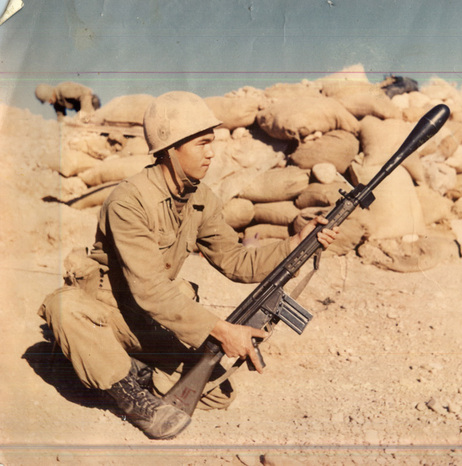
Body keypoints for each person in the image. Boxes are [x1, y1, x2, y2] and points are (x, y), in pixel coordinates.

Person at [38, 91, 338, 440]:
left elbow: (236, 260)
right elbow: (151, 290)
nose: (211, 153)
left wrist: (295, 243)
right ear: (170, 149)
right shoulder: (129, 201)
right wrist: (223, 331)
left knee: (217, 395)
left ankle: (130, 367)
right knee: (65, 308)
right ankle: (132, 397)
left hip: (147, 317)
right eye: (202, 143)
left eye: (212, 142)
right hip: (106, 311)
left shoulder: (200, 198)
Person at [34, 81, 101, 121]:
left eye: (49, 100)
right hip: (80, 108)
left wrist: (85, 113)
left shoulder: (64, 90)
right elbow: (61, 118)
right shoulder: (56, 102)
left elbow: (86, 93)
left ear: (50, 94)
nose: (49, 103)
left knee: (89, 121)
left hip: (91, 101)